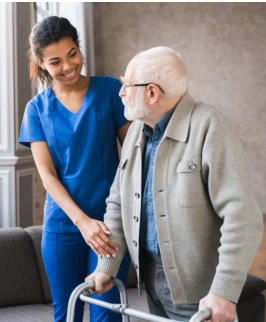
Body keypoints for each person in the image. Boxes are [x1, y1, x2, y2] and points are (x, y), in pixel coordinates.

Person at [86, 46, 263, 322]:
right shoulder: (135, 130)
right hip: (150, 280)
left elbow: (243, 218)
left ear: (152, 92)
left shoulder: (210, 127)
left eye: (127, 85)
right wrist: (106, 265)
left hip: (200, 295)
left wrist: (223, 292)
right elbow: (118, 202)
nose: (121, 93)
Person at [18, 16, 131, 322]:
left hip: (110, 223)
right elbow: (47, 175)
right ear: (42, 64)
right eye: (55, 61)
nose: (68, 66)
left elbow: (132, 158)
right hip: (63, 224)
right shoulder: (37, 109)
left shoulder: (109, 90)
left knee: (107, 314)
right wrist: (82, 222)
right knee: (66, 313)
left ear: (79, 49)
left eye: (72, 54)